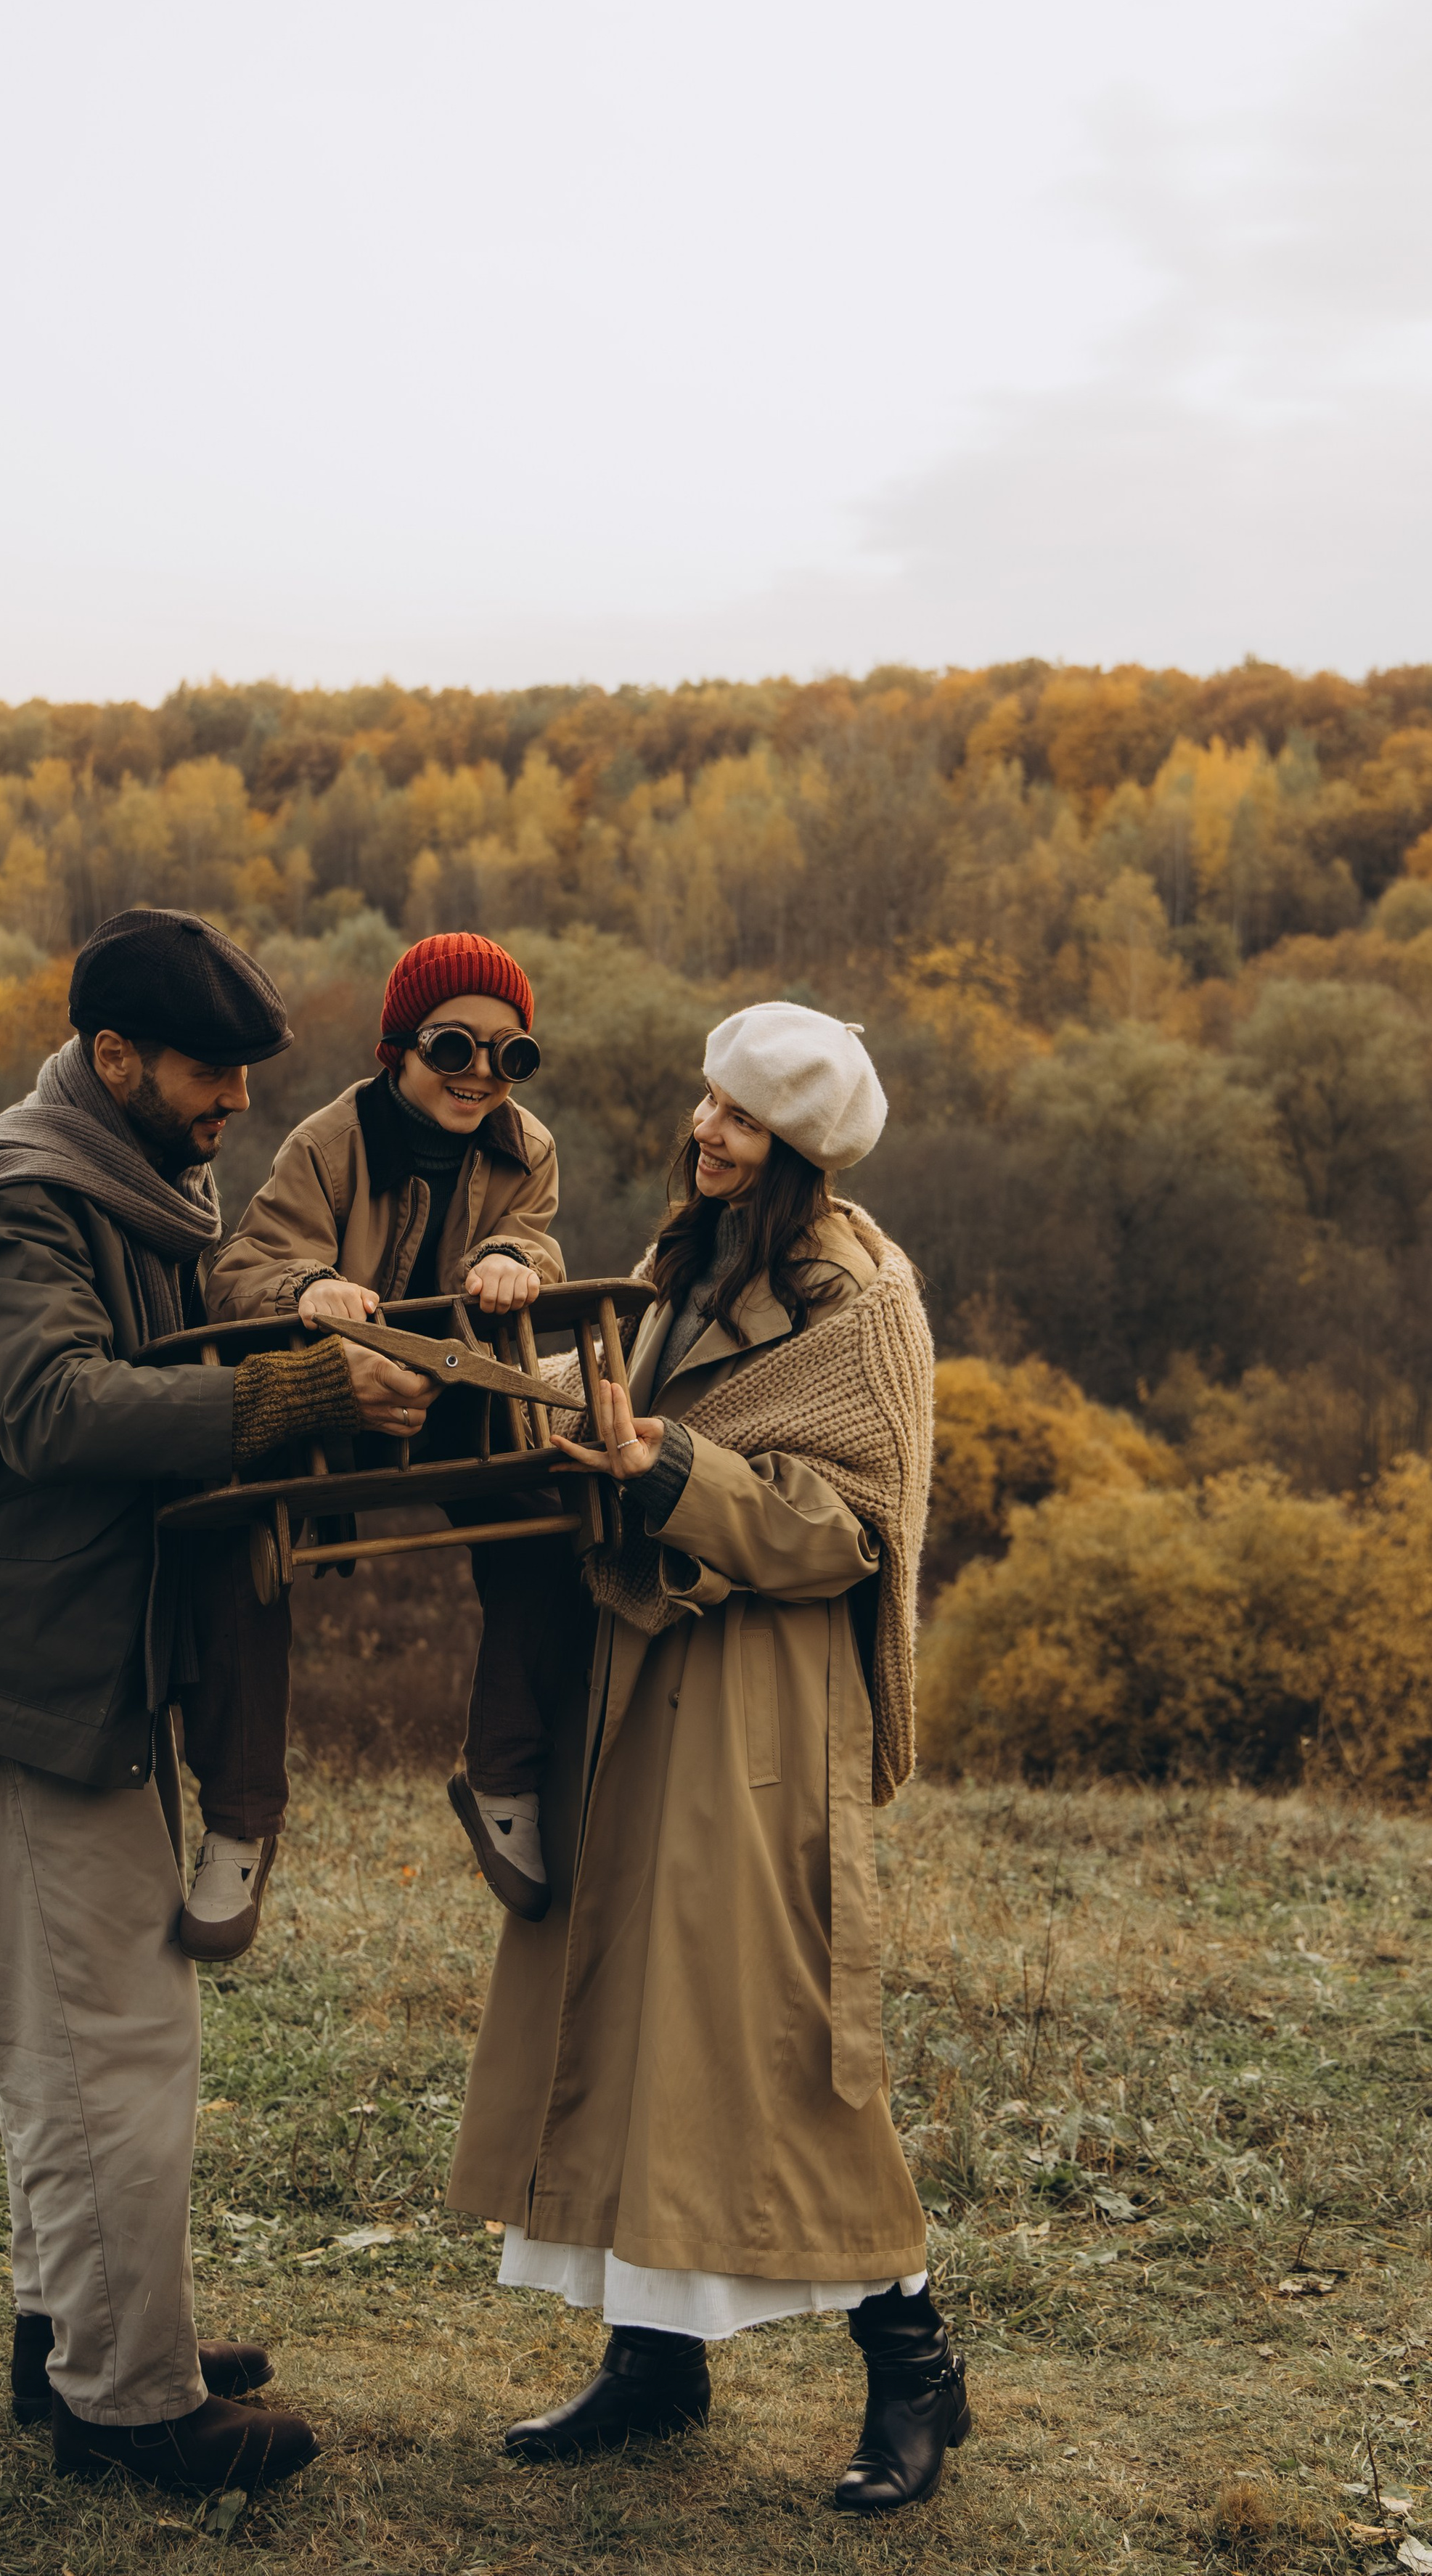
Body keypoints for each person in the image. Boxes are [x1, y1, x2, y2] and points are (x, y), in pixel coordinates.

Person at [0, 907, 435, 2503]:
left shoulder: (135, 1183)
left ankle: (74, 2334)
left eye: (249, 1073)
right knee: (119, 2041)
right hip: (20, 1688)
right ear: (110, 1057)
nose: (234, 1103)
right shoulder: (17, 1202)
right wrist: (304, 1389)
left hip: (60, 1667)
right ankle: (130, 2405)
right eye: (206, 1070)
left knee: (63, 2041)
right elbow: (52, 1412)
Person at [446, 1001, 970, 2516]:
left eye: (738, 1117)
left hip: (758, 1698)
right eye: (705, 1104)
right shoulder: (687, 1261)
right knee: (630, 2020)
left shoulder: (863, 1303)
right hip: (640, 1676)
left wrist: (666, 1466)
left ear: (797, 1145)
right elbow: (636, 1415)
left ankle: (913, 2365)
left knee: (785, 2037)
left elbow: (843, 1530)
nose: (706, 1130)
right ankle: (654, 2362)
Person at [195, 932, 595, 1940]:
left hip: (457, 1391)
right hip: (336, 1395)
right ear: (398, 1049)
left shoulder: (526, 1146)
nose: (480, 1078)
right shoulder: (329, 1144)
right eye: (452, 1049)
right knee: (239, 1546)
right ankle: (241, 1822)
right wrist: (308, 1288)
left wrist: (510, 1255)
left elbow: (532, 1234)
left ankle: (505, 1772)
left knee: (553, 1515)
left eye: (511, 1056)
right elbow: (247, 1265)